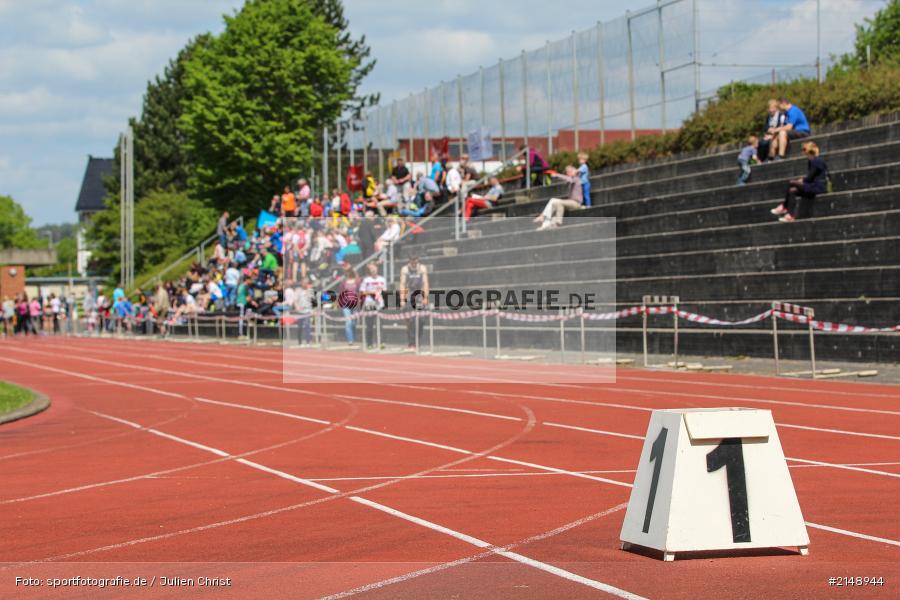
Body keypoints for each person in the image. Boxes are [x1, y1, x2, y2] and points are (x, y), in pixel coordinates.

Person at [771, 142, 828, 223]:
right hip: (812, 186)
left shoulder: (817, 161)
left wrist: (801, 180)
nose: (803, 152)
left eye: (804, 150)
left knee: (791, 182)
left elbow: (809, 178)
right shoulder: (812, 161)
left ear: (809, 151)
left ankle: (784, 206)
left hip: (818, 187)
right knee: (792, 190)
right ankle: (790, 215)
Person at [533, 165, 584, 229]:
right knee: (554, 202)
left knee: (558, 203)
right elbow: (568, 180)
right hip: (571, 202)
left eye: (570, 171)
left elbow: (570, 179)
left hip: (576, 203)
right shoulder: (572, 179)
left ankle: (555, 221)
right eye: (567, 172)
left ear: (574, 171)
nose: (568, 173)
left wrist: (557, 175)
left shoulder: (577, 178)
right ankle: (545, 223)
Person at [399, 255, 429, 349]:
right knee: (411, 320)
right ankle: (411, 342)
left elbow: (425, 283)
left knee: (421, 320)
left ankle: (418, 340)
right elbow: (402, 284)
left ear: (418, 259)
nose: (414, 262)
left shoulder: (422, 268)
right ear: (409, 260)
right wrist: (402, 299)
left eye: (415, 260)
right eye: (412, 260)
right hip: (410, 295)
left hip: (419, 294)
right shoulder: (405, 269)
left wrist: (425, 297)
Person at [359, 262, 386, 348]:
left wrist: (380, 296)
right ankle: (369, 343)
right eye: (371, 269)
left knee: (380, 324)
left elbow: (384, 291)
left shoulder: (382, 279)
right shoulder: (366, 280)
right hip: (369, 304)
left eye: (374, 268)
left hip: (379, 304)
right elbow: (362, 292)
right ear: (369, 271)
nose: (373, 270)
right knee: (369, 325)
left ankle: (381, 342)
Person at [337, 266, 360, 344]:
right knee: (348, 322)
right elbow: (341, 292)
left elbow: (360, 291)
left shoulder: (357, 281)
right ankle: (350, 340)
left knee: (354, 322)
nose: (347, 273)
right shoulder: (343, 282)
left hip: (355, 304)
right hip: (346, 304)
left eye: (349, 271)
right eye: (346, 272)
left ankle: (354, 335)